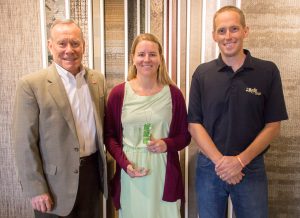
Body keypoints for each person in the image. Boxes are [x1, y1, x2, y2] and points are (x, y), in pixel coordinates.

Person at [188, 5, 288, 218]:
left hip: (250, 168)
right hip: (209, 167)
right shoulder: (202, 74)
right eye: (221, 31)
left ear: (245, 31)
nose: (228, 36)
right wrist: (222, 163)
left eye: (234, 29)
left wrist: (239, 161)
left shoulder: (267, 71)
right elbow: (194, 124)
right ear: (214, 35)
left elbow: (273, 126)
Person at [13, 19, 108, 218]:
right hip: (53, 184)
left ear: (83, 45)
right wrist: (36, 187)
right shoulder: (31, 85)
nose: (69, 50)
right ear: (50, 45)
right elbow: (24, 143)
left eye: (75, 43)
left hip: (92, 177)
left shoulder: (97, 80)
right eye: (62, 43)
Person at [104, 33, 191, 218]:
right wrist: (124, 164)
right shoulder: (119, 93)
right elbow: (109, 136)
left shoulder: (174, 94)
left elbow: (185, 136)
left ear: (160, 58)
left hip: (163, 171)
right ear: (133, 58)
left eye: (152, 54)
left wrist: (166, 144)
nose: (146, 59)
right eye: (141, 54)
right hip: (130, 172)